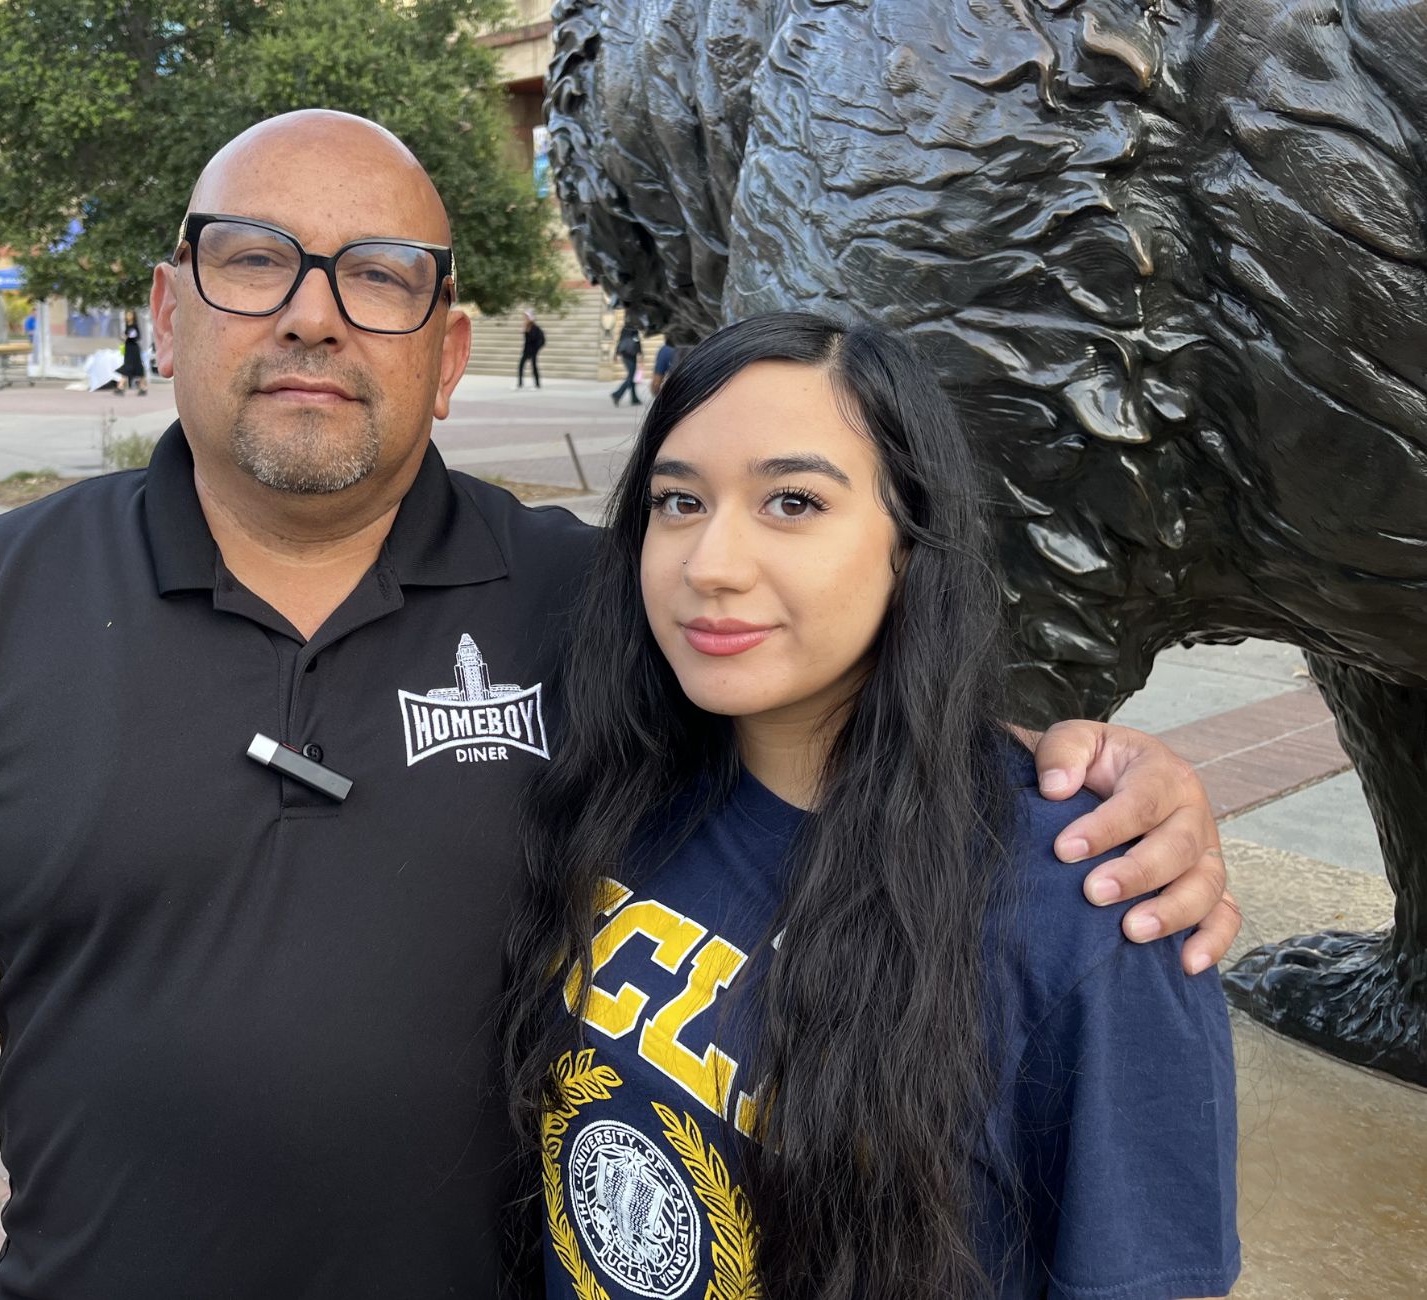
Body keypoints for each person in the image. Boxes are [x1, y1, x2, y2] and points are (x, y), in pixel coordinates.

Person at [0, 111, 1236, 1299]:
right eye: (254, 259)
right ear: (169, 306)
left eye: (379, 276)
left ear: (448, 351)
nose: (314, 318)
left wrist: (1094, 780)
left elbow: (844, 690)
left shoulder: (589, 603)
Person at [507, 313, 1241, 1300]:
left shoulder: (1094, 906)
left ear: (912, 539)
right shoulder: (619, 791)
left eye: (793, 501)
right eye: (677, 501)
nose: (710, 563)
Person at [117, 309, 150, 395]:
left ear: (133, 316)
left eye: (130, 314)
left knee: (136, 367)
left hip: (133, 349)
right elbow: (124, 337)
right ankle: (122, 387)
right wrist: (124, 337)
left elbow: (137, 337)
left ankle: (122, 387)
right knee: (129, 367)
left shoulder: (134, 326)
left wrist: (127, 337)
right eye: (127, 314)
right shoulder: (127, 326)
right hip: (128, 349)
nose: (128, 316)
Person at [611, 323, 642, 405]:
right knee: (630, 377)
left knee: (631, 376)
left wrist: (616, 353)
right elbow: (637, 340)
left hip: (624, 354)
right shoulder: (634, 329)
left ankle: (634, 398)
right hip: (631, 355)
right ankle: (617, 394)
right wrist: (640, 352)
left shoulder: (624, 328)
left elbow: (620, 340)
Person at [519, 308, 546, 388]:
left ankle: (537, 384)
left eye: (526, 317)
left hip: (533, 350)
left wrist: (536, 348)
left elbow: (536, 339)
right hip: (526, 350)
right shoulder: (526, 327)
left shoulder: (535, 328)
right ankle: (520, 384)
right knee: (521, 366)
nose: (525, 319)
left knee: (534, 367)